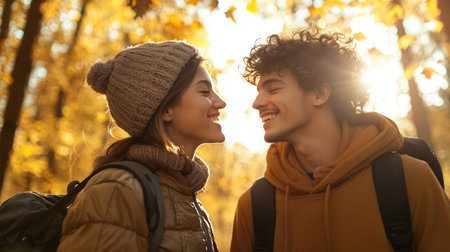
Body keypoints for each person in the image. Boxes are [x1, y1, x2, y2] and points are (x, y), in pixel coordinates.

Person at [231, 28, 450, 251]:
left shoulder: (411, 180)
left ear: (319, 94)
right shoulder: (254, 206)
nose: (257, 103)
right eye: (259, 92)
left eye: (273, 89)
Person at [57, 41, 225, 251]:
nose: (220, 102)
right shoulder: (117, 191)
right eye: (204, 92)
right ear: (166, 109)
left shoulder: (183, 192)